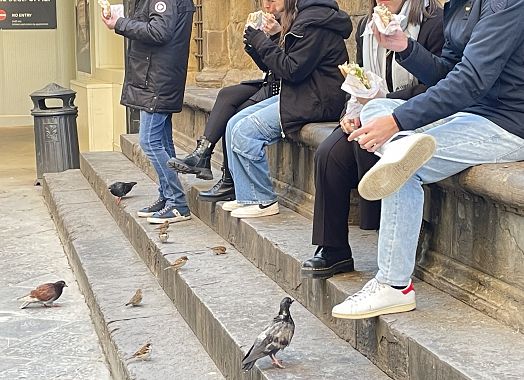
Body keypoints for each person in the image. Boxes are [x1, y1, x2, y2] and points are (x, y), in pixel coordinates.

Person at [332, 0, 524, 319]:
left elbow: (471, 80)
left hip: (507, 125)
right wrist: (405, 47)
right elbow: (447, 73)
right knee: (375, 110)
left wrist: (398, 123)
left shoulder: (505, 3)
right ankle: (400, 149)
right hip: (470, 116)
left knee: (405, 157)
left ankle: (394, 287)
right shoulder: (458, 6)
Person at [302, 0, 443, 280]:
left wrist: (385, 105)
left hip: (416, 114)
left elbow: (436, 84)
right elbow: (359, 78)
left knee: (371, 146)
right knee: (329, 153)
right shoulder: (366, 26)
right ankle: (333, 248)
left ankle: (392, 237)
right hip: (372, 112)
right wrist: (350, 112)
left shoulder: (433, 21)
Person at [222, 0, 352, 219]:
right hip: (301, 93)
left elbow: (292, 70)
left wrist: (263, 42)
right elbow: (277, 66)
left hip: (317, 100)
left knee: (246, 131)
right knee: (234, 121)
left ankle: (262, 200)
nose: (267, 3)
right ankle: (247, 195)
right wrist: (259, 44)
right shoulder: (302, 18)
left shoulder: (313, 23)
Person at [167, 0, 282, 203]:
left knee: (238, 115)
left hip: (284, 89)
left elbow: (287, 66)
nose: (267, 6)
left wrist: (274, 36)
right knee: (227, 94)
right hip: (271, 81)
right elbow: (268, 66)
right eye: (264, 1)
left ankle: (229, 181)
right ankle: (202, 154)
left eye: (272, 1)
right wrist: (254, 46)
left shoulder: (295, 22)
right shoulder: (275, 20)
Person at [101, 0, 195, 224]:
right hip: (157, 76)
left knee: (150, 141)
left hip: (157, 79)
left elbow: (159, 32)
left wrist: (120, 23)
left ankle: (178, 203)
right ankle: (167, 196)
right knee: (163, 141)